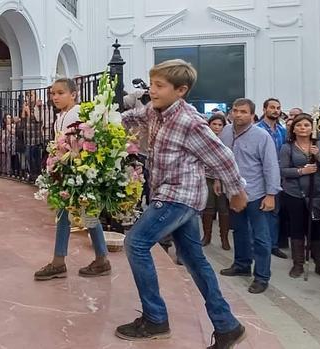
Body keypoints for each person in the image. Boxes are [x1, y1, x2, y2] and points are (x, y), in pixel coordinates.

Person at [117, 59, 249, 349]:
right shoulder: (155, 110)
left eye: (159, 86)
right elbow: (132, 116)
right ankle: (228, 326)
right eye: (151, 84)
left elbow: (222, 157)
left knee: (136, 243)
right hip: (173, 195)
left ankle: (155, 319)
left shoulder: (189, 122)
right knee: (194, 259)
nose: (152, 90)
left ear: (181, 90)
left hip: (178, 196)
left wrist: (236, 190)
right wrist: (109, 123)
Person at [33, 78, 112, 281]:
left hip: (79, 171)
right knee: (71, 215)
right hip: (67, 171)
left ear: (73, 94)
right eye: (52, 93)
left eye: (60, 93)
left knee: (81, 214)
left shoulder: (77, 113)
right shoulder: (60, 117)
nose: (55, 97)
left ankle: (71, 261)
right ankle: (90, 259)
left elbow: (84, 142)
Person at [219, 98, 281, 294]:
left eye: (243, 112)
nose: (238, 115)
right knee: (239, 231)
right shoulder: (226, 131)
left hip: (256, 194)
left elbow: (271, 166)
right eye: (235, 111)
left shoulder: (262, 136)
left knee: (261, 237)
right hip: (234, 192)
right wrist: (220, 181)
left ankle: (262, 277)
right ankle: (241, 265)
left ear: (253, 115)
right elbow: (222, 159)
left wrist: (271, 194)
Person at [279, 113, 320, 281]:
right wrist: (301, 171)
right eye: (299, 125)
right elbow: (282, 170)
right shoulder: (287, 147)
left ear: (312, 128)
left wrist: (318, 157)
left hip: (316, 194)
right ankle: (298, 264)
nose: (303, 128)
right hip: (294, 193)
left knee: (317, 229)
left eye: (306, 125)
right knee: (297, 227)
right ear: (293, 128)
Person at [257, 98, 288, 259]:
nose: (275, 110)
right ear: (264, 109)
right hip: (260, 176)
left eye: (278, 107)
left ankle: (273, 245)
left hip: (278, 176)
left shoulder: (283, 130)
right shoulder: (257, 130)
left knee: (275, 211)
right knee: (259, 212)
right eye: (272, 107)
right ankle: (260, 244)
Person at [201, 112, 231, 250]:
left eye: (220, 124)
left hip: (224, 178)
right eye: (214, 124)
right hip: (206, 177)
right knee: (208, 208)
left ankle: (224, 238)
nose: (217, 127)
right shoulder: (203, 139)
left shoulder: (227, 140)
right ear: (209, 125)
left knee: (223, 210)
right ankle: (207, 236)